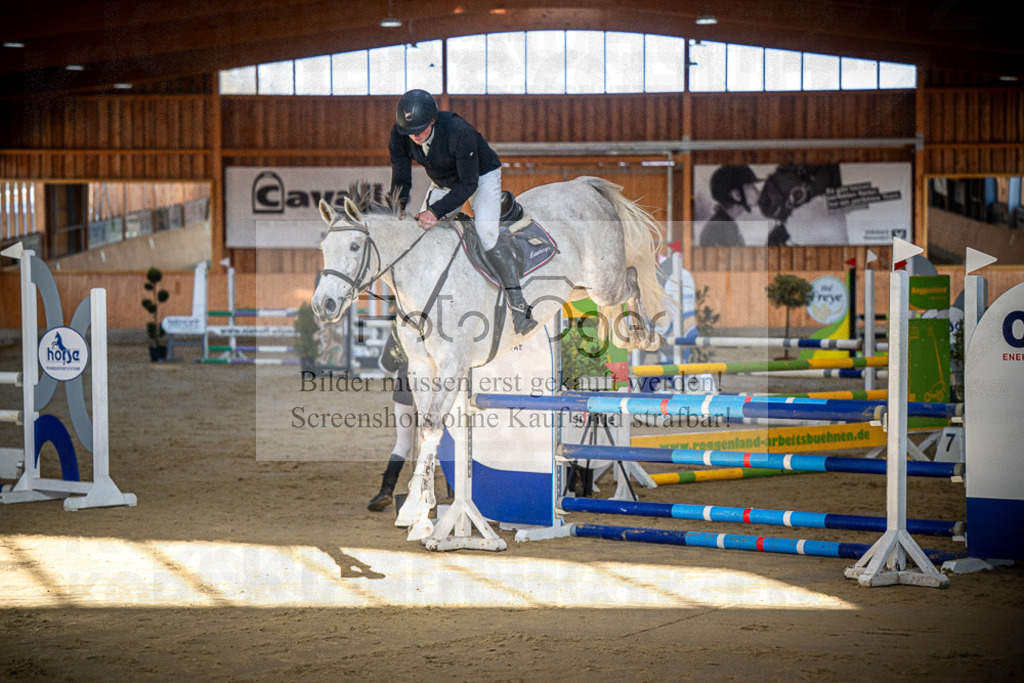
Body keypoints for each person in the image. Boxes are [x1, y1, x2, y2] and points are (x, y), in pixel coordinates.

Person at [388, 89, 536, 335]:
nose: (415, 135)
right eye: (409, 131)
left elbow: (468, 185)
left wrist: (435, 212)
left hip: (481, 176)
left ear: (433, 120)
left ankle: (519, 305)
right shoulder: (400, 135)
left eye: (420, 129)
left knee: (486, 233)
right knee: (424, 235)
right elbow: (401, 179)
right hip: (444, 180)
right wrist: (396, 210)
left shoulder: (459, 132)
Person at [367, 325, 414, 512]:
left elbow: (387, 365)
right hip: (435, 392)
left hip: (405, 392)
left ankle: (386, 490)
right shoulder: (440, 322)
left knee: (402, 445)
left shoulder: (401, 326)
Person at [698, 165, 762, 247]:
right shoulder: (720, 229)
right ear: (737, 195)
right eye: (751, 187)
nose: (757, 191)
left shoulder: (724, 224)